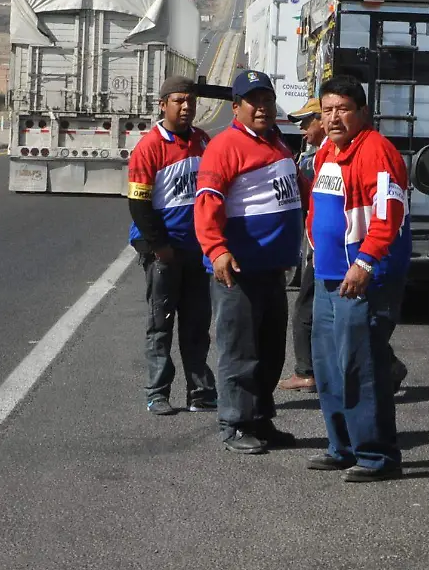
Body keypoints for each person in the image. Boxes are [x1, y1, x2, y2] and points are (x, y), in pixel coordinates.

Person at [193, 69, 305, 455]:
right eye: (253, 101)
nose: (262, 107)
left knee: (271, 351)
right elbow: (206, 203)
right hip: (237, 272)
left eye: (267, 99)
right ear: (236, 107)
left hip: (272, 270)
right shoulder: (225, 146)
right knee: (240, 351)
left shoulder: (278, 143)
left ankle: (259, 417)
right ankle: (235, 423)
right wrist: (217, 250)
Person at [306, 75, 411, 481]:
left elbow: (389, 216)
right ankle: (343, 447)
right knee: (328, 367)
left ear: (362, 112)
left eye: (343, 109)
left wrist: (365, 263)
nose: (333, 118)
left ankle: (377, 457)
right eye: (327, 110)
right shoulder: (327, 152)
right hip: (329, 278)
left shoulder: (378, 153)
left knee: (360, 367)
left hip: (363, 280)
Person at [125, 76, 215, 415]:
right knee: (161, 325)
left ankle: (201, 392)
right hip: (164, 252)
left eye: (190, 100)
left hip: (197, 251)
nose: (186, 106)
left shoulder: (203, 141)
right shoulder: (150, 146)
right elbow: (138, 203)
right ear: (163, 104)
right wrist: (159, 245)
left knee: (197, 325)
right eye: (178, 100)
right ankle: (158, 392)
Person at [278, 98, 326, 395]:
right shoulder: (318, 155)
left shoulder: (315, 160)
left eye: (307, 121)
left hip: (326, 249)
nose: (302, 128)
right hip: (320, 244)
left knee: (305, 309)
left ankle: (305, 372)